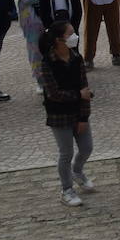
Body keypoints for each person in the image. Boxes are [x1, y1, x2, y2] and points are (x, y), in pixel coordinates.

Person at [37, 21, 97, 206]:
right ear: (58, 39)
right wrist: (78, 95)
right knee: (66, 153)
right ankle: (66, 189)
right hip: (59, 115)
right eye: (70, 34)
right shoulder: (47, 63)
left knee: (86, 147)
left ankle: (77, 171)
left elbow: (84, 87)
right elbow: (53, 94)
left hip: (77, 111)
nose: (74, 36)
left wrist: (83, 117)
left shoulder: (76, 58)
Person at [14, 0, 51, 92]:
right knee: (35, 50)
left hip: (46, 14)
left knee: (50, 47)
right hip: (30, 17)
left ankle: (52, 77)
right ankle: (40, 81)